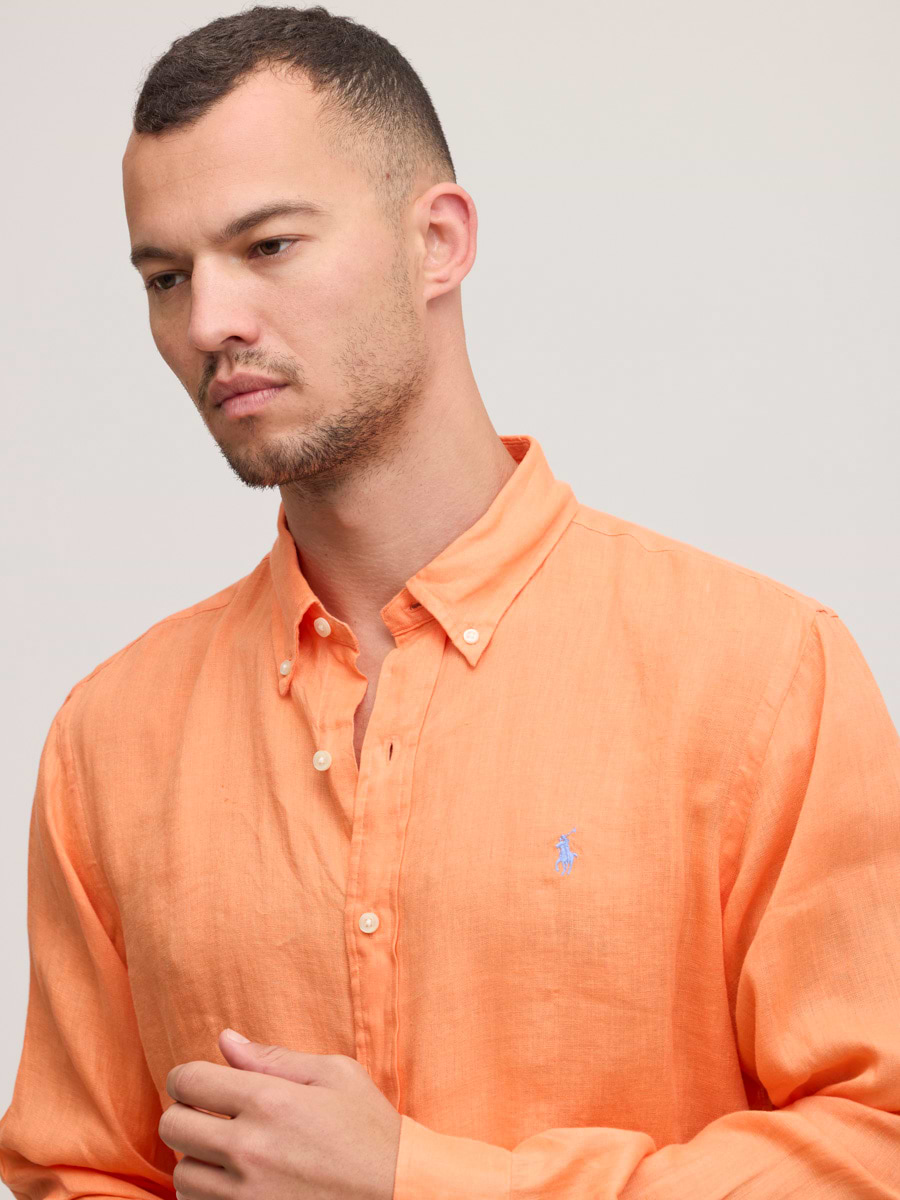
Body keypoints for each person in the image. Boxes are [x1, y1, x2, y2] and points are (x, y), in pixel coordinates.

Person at [1, 6, 899, 1199]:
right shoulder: (108, 741)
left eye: (267, 246)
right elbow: (79, 1171)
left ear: (437, 241)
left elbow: (874, 1145)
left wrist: (416, 1182)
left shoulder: (764, 675)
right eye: (167, 277)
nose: (209, 321)